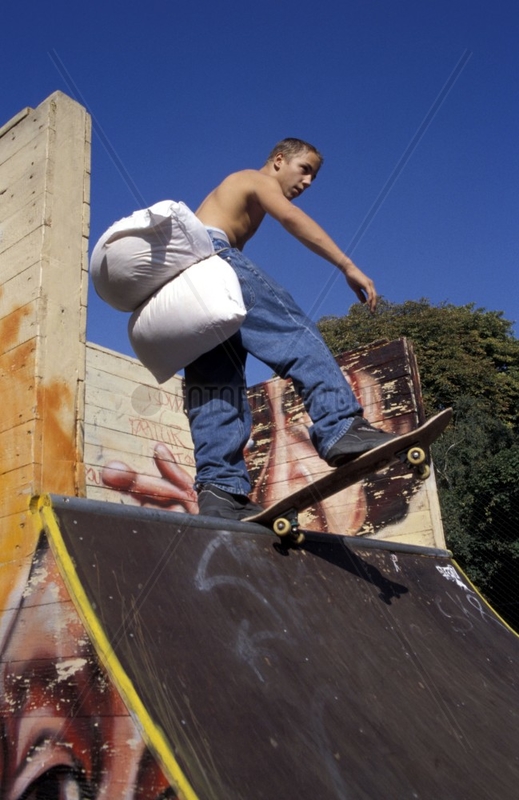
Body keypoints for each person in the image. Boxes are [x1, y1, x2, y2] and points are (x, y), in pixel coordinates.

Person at [187, 137, 394, 520]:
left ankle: (220, 491)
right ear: (279, 160)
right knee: (291, 331)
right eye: (306, 170)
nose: (309, 182)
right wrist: (348, 266)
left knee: (217, 381)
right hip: (215, 258)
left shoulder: (230, 193)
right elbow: (293, 219)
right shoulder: (254, 178)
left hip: (187, 283)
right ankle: (340, 426)